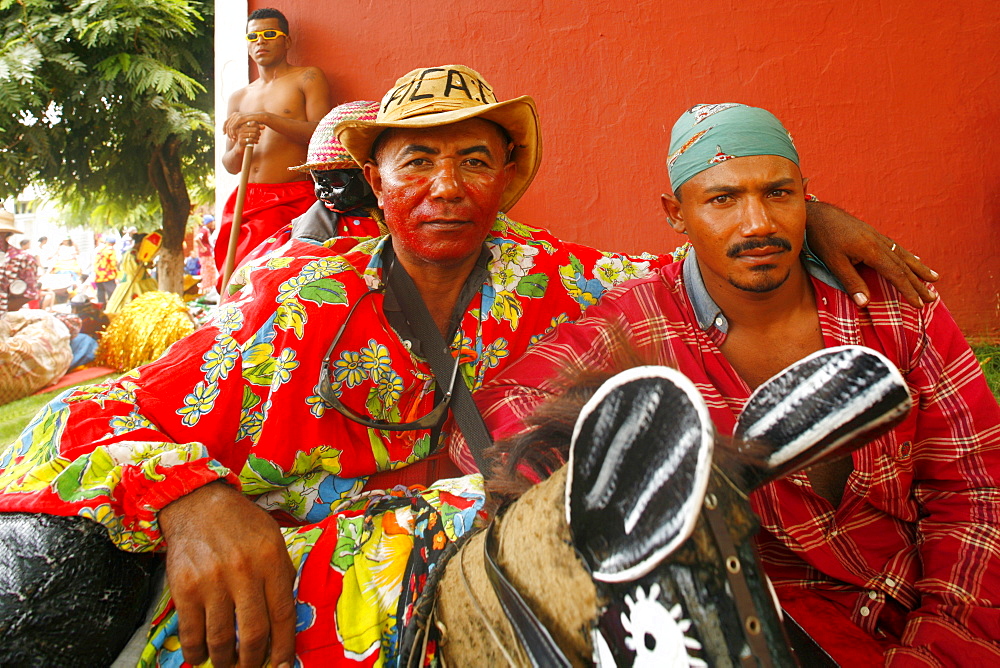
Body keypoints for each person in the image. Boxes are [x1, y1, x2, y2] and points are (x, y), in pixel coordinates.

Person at [0, 68, 936, 667]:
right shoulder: (294, 295)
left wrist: (811, 215)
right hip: (287, 613)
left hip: (484, 602)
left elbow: (709, 247)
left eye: (473, 159)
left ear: (506, 176)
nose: (446, 187)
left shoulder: (558, 281)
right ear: (377, 181)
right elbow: (81, 423)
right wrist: (198, 501)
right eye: (417, 161)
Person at [474, 103, 1000, 664]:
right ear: (675, 214)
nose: (758, 224)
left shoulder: (893, 306)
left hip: (928, 605)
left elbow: (976, 491)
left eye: (778, 193)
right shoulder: (644, 321)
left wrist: (944, 642)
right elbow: (497, 420)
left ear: (807, 198)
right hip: (776, 627)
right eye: (722, 199)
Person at [215, 7, 332, 278]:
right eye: (253, 37)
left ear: (287, 41)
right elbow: (230, 165)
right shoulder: (238, 97)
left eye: (270, 34)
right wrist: (241, 144)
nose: (260, 42)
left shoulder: (307, 78)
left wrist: (267, 118)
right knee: (237, 280)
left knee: (272, 278)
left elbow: (321, 135)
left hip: (290, 196)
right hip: (247, 198)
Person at [229, 100, 387, 282]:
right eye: (317, 180)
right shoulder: (312, 229)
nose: (322, 191)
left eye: (336, 181)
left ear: (374, 176)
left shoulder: (395, 217)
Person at [0, 209, 39, 311]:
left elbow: (29, 293)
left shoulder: (23, 259)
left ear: (7, 234)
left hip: (9, 317)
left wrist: (5, 310)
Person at [92, 235, 119, 304]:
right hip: (107, 275)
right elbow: (113, 264)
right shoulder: (110, 251)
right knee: (112, 293)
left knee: (100, 292)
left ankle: (101, 307)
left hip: (98, 275)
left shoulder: (99, 250)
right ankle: (112, 308)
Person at [194, 214, 217, 293]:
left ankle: (208, 288)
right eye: (211, 222)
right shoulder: (204, 230)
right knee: (208, 271)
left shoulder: (205, 230)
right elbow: (197, 239)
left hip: (206, 254)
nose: (212, 224)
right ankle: (207, 288)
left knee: (208, 270)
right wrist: (203, 247)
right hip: (206, 255)